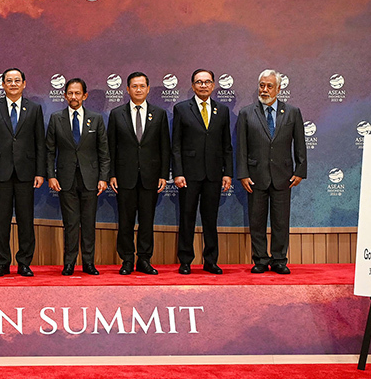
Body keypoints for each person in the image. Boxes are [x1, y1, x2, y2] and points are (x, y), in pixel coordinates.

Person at [236, 69, 307, 274]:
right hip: (255, 177)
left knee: (281, 221)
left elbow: (300, 144)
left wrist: (300, 170)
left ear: (279, 88)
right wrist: (243, 174)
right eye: (262, 85)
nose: (264, 89)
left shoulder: (292, 112)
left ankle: (279, 260)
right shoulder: (246, 113)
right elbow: (241, 147)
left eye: (269, 86)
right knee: (256, 221)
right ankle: (260, 259)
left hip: (283, 177)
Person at [0, 68, 45, 277]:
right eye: (9, 81)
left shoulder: (34, 108)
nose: (14, 84)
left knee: (26, 220)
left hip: (26, 172)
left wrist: (40, 172)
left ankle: (24, 263)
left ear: (24, 84)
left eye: (17, 80)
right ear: (2, 84)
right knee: (1, 220)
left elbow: (39, 143)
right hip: (0, 172)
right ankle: (2, 263)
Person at [108, 72, 171, 275]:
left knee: (146, 221)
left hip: (150, 177)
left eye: (142, 86)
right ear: (127, 89)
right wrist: (111, 174)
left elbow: (165, 147)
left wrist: (163, 174)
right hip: (124, 177)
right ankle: (127, 259)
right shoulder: (117, 114)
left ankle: (144, 260)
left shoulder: (159, 114)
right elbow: (111, 147)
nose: (138, 89)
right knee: (125, 221)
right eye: (134, 86)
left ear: (148, 89)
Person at [171, 69, 234, 275]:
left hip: (214, 175)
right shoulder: (181, 109)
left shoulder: (222, 111)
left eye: (207, 82)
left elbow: (227, 145)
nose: (203, 85)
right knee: (187, 218)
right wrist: (178, 172)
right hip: (188, 175)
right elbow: (177, 144)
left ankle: (211, 261)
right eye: (199, 82)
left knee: (210, 219)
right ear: (192, 85)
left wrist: (228, 173)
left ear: (214, 85)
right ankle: (186, 261)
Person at [46, 78, 109, 276]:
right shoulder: (56, 118)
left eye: (77, 93)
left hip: (90, 178)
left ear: (85, 95)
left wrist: (103, 177)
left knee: (89, 223)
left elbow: (104, 152)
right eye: (70, 93)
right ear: (65, 95)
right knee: (71, 223)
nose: (74, 97)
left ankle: (89, 263)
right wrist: (51, 176)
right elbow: (49, 151)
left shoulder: (96, 118)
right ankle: (69, 263)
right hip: (65, 179)